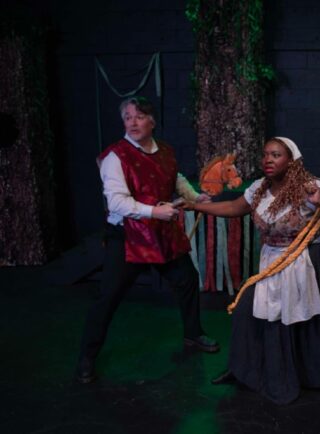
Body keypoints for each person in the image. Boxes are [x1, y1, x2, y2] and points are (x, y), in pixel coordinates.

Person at [186, 137, 320, 412]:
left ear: (291, 161)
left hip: (317, 262)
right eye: (265, 154)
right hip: (276, 264)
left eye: (276, 155)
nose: (268, 159)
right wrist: (195, 206)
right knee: (246, 310)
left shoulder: (311, 187)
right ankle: (241, 370)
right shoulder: (259, 190)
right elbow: (233, 208)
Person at [75, 96, 219, 384]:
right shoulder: (115, 157)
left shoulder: (165, 150)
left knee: (187, 278)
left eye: (139, 116)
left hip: (161, 230)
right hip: (128, 237)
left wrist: (193, 197)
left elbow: (174, 178)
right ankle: (87, 357)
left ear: (152, 121)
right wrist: (154, 210)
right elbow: (116, 203)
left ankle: (193, 334)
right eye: (128, 117)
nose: (133, 122)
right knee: (108, 298)